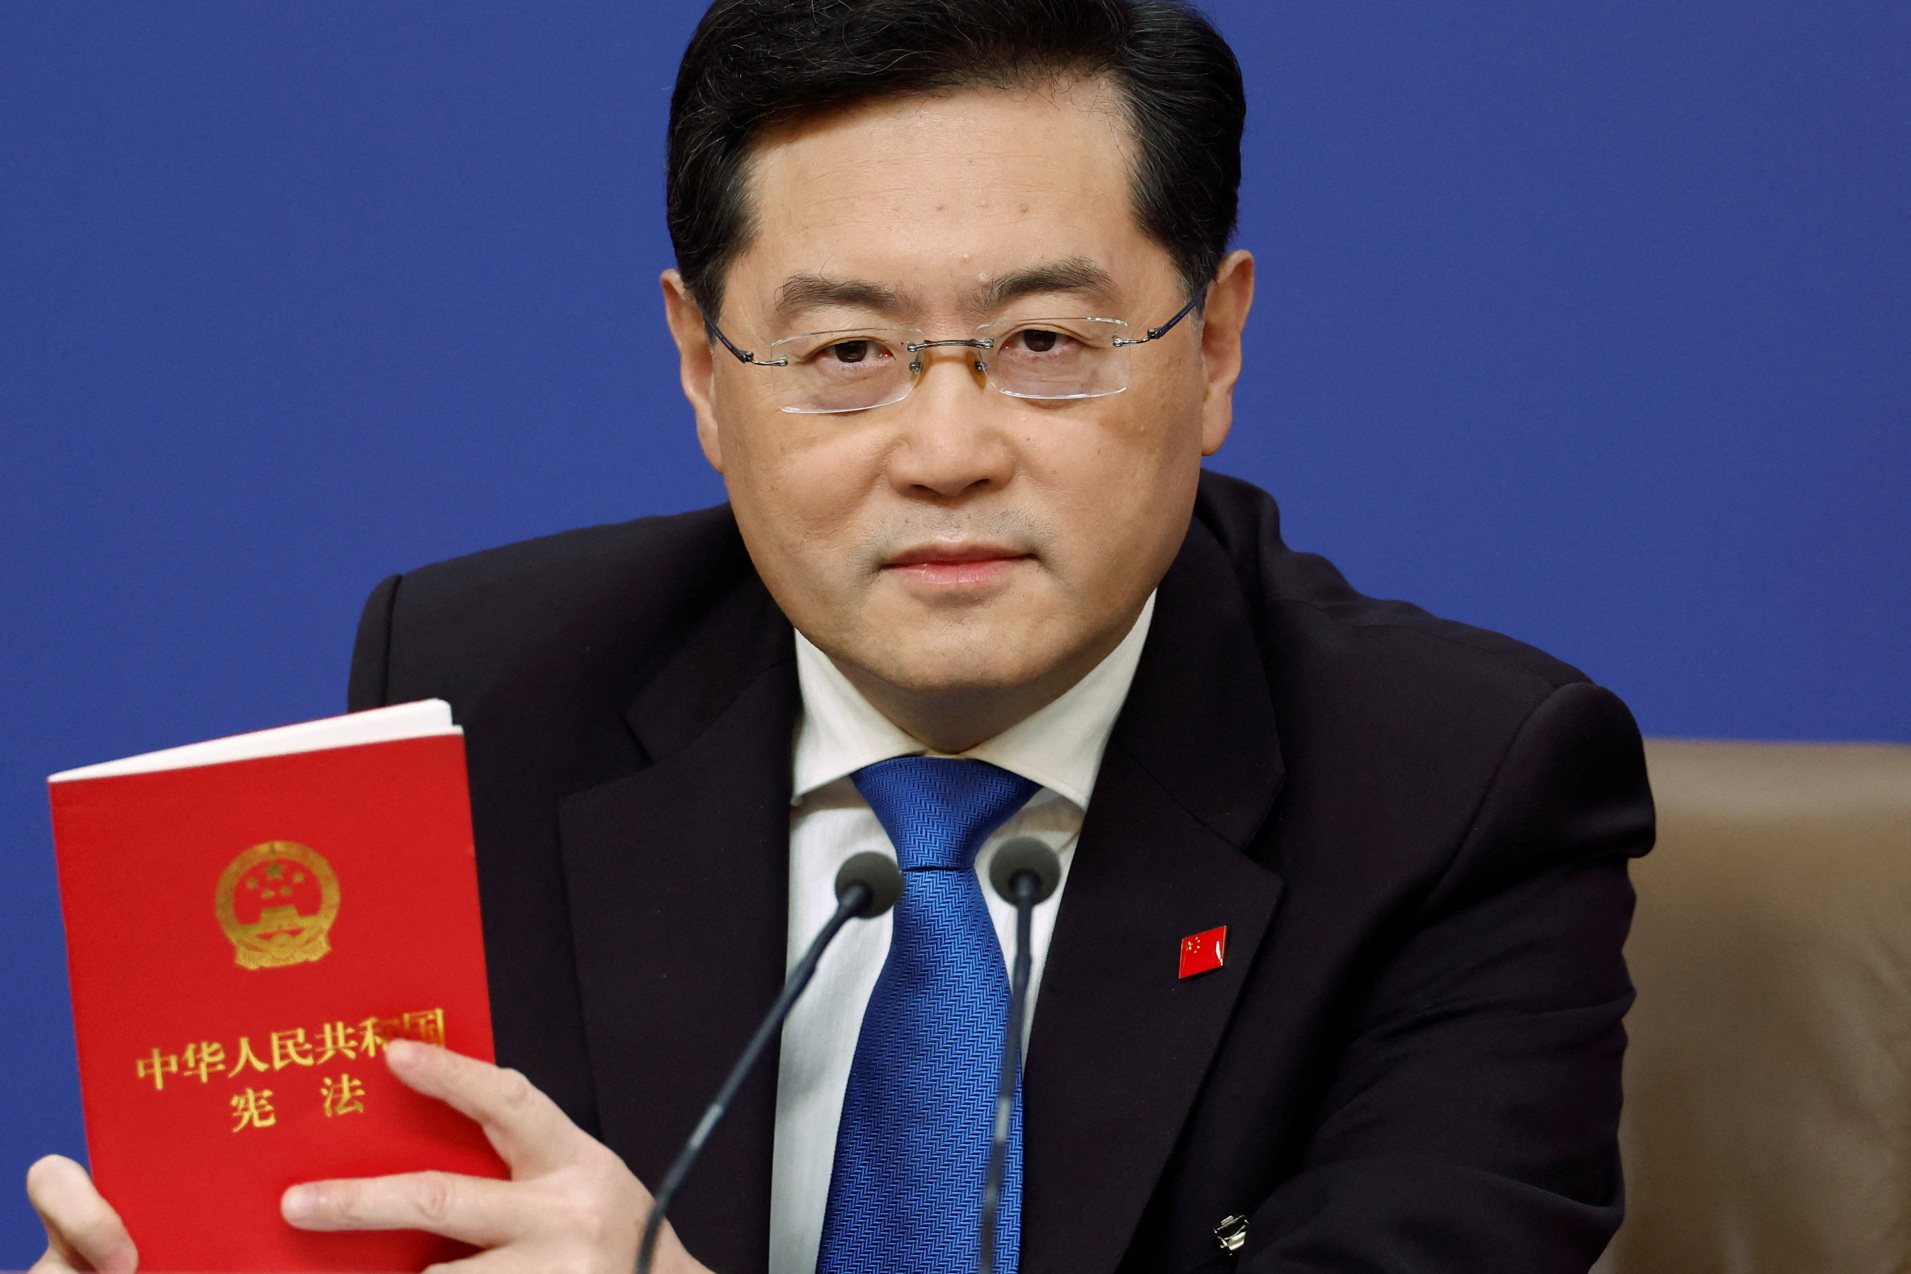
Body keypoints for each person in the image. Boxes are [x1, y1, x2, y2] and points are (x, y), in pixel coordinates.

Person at [27, 0, 1655, 1270]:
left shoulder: (1464, 795)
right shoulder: (481, 696)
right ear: (699, 368)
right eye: (849, 350)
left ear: (1215, 343)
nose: (946, 446)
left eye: (1040, 340)